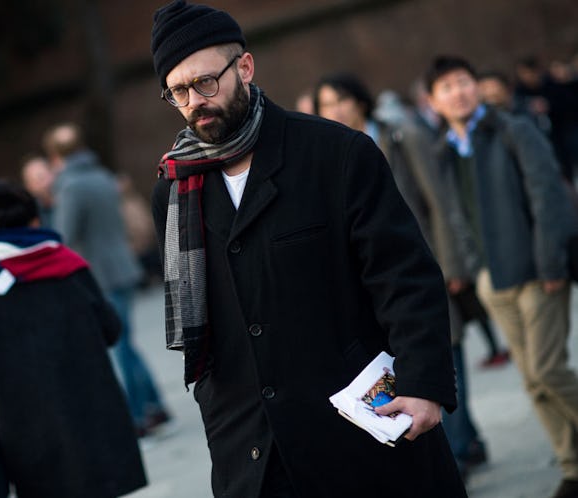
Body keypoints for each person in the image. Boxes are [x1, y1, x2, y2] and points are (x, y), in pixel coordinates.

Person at [149, 2, 465, 496]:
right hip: (253, 452)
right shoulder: (173, 189)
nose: (195, 101)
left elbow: (405, 277)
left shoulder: (336, 153)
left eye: (206, 82)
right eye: (179, 91)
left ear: (245, 67)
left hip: (359, 433)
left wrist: (424, 385)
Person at [314, 72, 489, 479]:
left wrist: (449, 265)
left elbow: (438, 201)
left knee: (443, 352)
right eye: (326, 104)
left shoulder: (398, 136)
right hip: (376, 282)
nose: (336, 109)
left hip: (425, 264)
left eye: (341, 99)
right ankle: (468, 440)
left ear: (360, 100)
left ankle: (459, 448)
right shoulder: (326, 154)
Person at [426, 55, 578, 498]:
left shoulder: (513, 129)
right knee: (532, 380)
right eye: (447, 87)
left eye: (463, 82)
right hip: (494, 279)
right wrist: (475, 269)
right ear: (433, 102)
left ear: (476, 86)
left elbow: (547, 195)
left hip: (537, 271)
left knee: (549, 370)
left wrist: (551, 262)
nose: (458, 92)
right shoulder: (445, 151)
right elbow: (454, 214)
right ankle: (571, 463)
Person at [0, 179, 147, 498]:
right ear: (35, 221)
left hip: (29, 442)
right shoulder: (71, 269)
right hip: (94, 428)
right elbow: (111, 331)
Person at [43, 122, 173, 437]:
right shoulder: (101, 176)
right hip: (123, 266)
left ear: (56, 156)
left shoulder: (70, 186)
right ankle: (155, 405)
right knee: (125, 342)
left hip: (100, 274)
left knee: (118, 347)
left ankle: (137, 416)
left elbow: (64, 235)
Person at [20, 154, 55, 228]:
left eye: (42, 177)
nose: (43, 184)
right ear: (28, 186)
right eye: (35, 180)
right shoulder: (29, 214)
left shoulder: (68, 201)